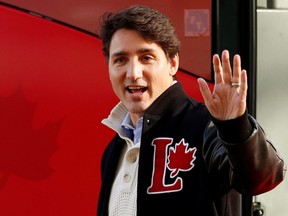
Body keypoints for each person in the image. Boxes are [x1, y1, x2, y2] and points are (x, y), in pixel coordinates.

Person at [97, 4, 285, 216]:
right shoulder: (114, 150)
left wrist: (235, 126)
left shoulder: (206, 126)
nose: (133, 72)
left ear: (173, 62)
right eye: (120, 60)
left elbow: (263, 178)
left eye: (146, 57)